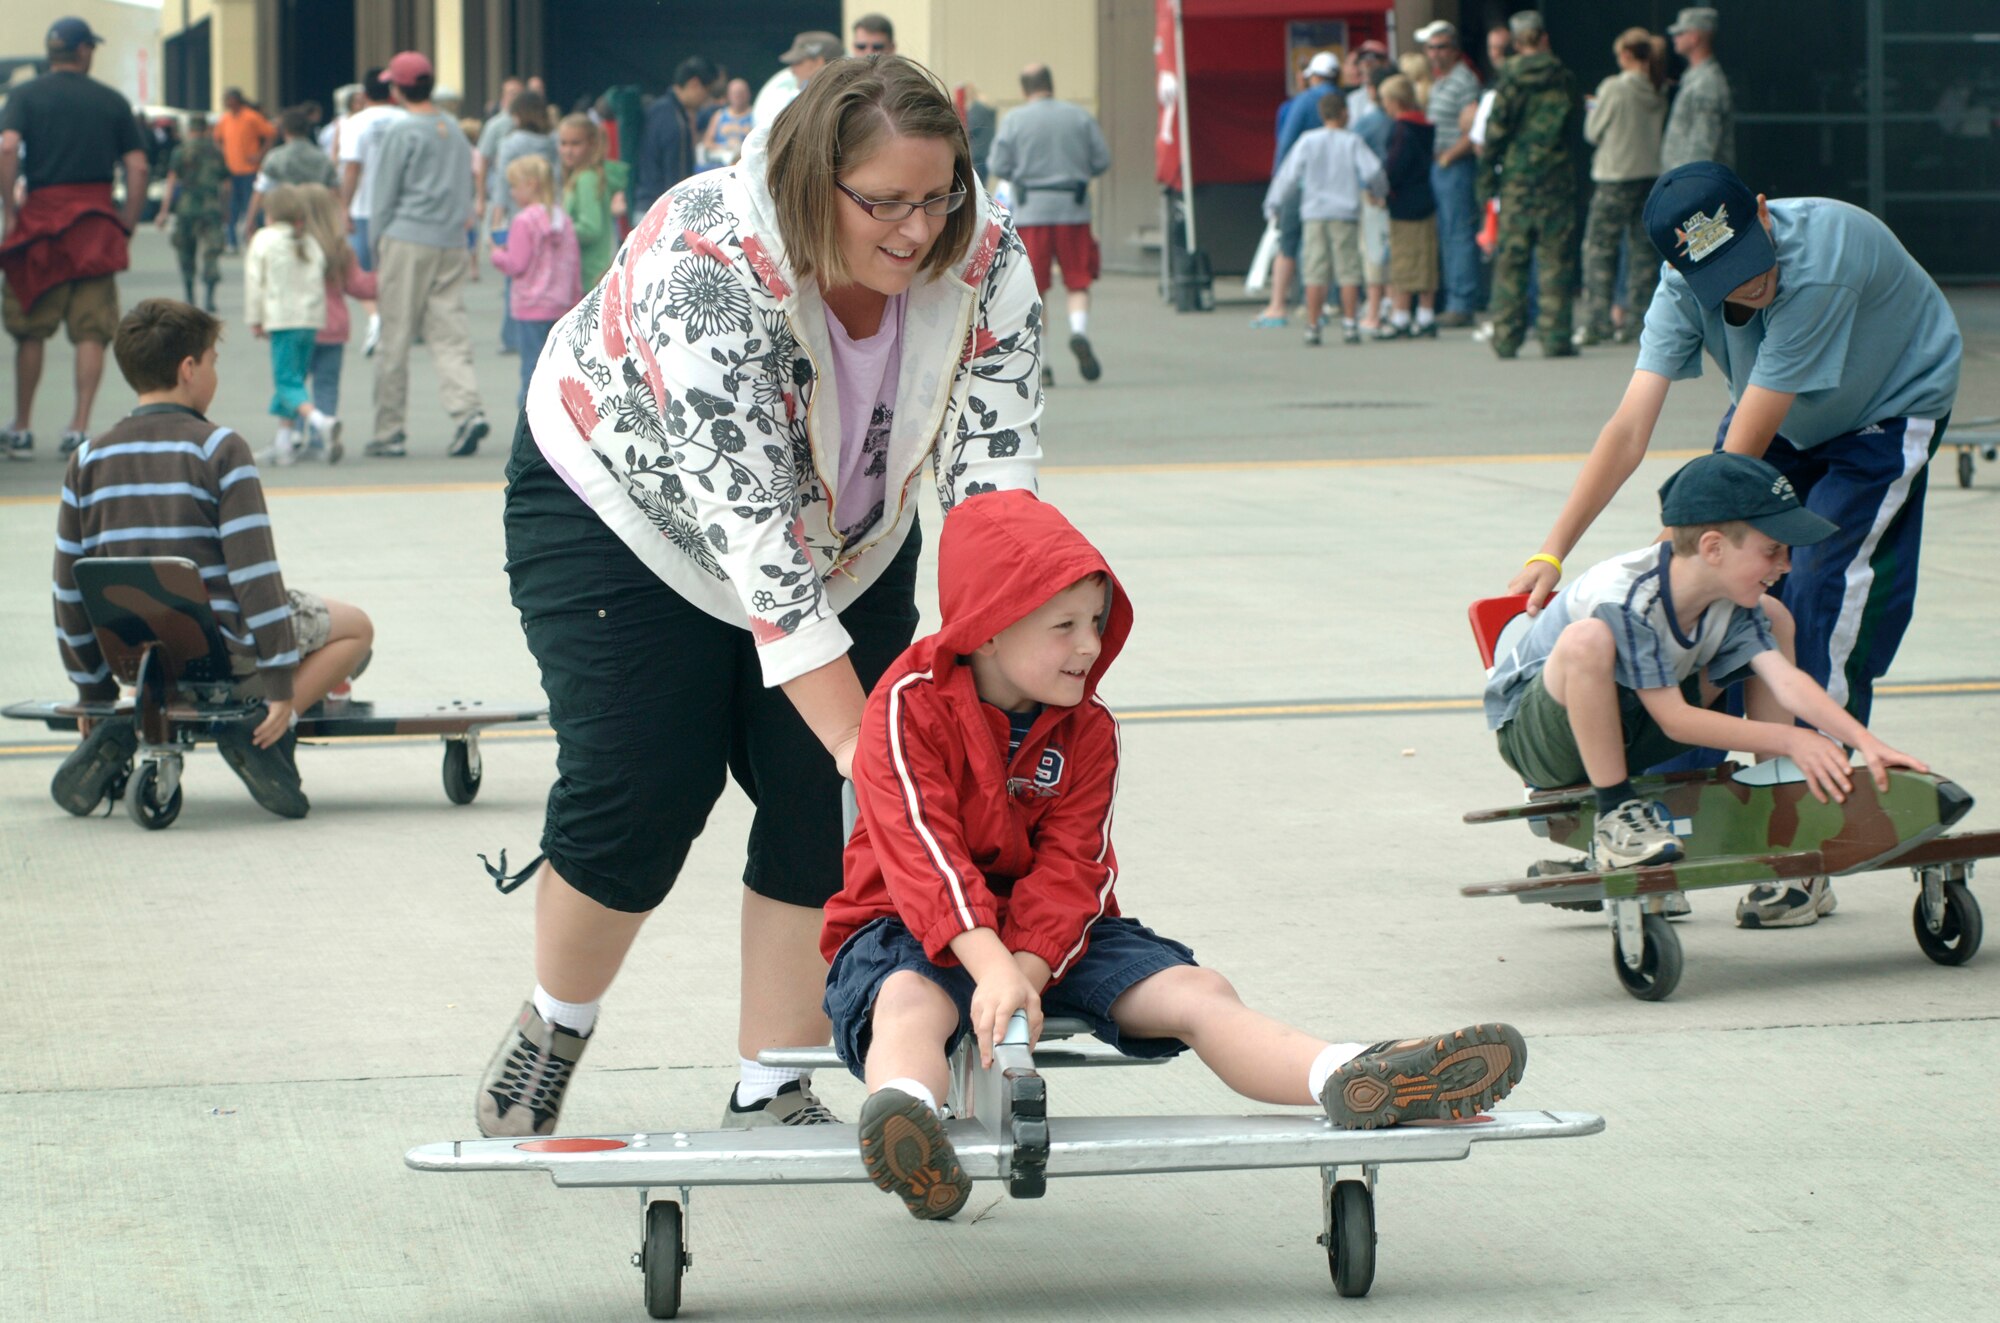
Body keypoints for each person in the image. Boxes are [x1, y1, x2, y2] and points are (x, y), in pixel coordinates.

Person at [477, 54, 1044, 1140]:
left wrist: (1004, 681)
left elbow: (993, 486)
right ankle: (556, 1023)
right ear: (808, 184)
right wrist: (874, 755)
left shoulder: (989, 255)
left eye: (936, 199)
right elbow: (759, 553)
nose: (916, 231)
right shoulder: (706, 259)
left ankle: (771, 1079)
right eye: (882, 203)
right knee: (644, 784)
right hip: (624, 511)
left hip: (849, 538)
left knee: (819, 806)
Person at [823, 489, 1529, 1219]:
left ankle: (1347, 1074)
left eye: (1095, 622)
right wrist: (992, 966)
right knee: (908, 1004)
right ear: (988, 630)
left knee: (1199, 992)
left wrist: (1025, 969)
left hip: (1046, 939)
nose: (1090, 646)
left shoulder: (1086, 727)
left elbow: (1076, 868)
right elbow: (923, 851)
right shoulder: (908, 702)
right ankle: (908, 1122)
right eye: (1064, 626)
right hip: (908, 922)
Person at [1508, 163, 1959, 919]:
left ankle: (1806, 836)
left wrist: (1666, 578)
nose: (1750, 287)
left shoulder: (1822, 263)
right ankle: (1668, 833)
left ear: (1760, 210)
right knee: (1702, 602)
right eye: (1725, 280)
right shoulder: (1681, 289)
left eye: (1752, 263)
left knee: (1814, 589)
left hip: (1884, 410)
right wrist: (1553, 549)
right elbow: (1628, 427)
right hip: (1779, 414)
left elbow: (1737, 459)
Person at [1486, 451, 1929, 924]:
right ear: (1714, 548)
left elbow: (1787, 682)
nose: (1787, 566)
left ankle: (1777, 803)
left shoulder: (1729, 600)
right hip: (1544, 739)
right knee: (1588, 639)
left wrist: (1867, 743)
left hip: (1628, 727)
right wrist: (1794, 738)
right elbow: (1674, 719)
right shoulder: (1627, 596)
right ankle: (1617, 819)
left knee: (1775, 616)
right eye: (1773, 550)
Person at [48, 299, 375, 821]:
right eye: (214, 361)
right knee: (356, 629)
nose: (215, 373)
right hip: (224, 653)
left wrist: (93, 690)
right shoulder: (220, 448)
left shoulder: (87, 458)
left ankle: (130, 723)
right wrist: (279, 688)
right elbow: (255, 575)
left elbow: (68, 589)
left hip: (137, 657)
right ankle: (266, 732)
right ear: (188, 370)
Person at [0, 17, 147, 462]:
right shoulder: (111, 101)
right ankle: (77, 427)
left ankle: (22, 427)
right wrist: (128, 220)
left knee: (30, 329)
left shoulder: (24, 96)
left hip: (41, 221)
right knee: (91, 330)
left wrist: (11, 210)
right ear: (83, 50)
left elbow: (7, 147)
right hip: (95, 224)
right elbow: (138, 167)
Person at [367, 50, 487, 460]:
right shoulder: (451, 128)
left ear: (398, 87)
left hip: (406, 237)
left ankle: (390, 431)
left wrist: (374, 244)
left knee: (395, 337)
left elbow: (383, 193)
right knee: (448, 332)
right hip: (449, 240)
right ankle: (466, 410)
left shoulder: (402, 132)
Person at [987, 64, 1111, 386]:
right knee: (1078, 280)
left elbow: (998, 164)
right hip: (1074, 210)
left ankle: (1044, 363)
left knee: (1036, 289)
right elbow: (1101, 160)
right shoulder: (1079, 116)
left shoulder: (1014, 119)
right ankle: (1079, 331)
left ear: (1024, 89)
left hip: (1032, 213)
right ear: (1051, 84)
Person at [1477, 10, 1581, 360]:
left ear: (1516, 43)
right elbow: (1574, 128)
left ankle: (1506, 338)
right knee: (1555, 259)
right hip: (1556, 179)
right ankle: (1556, 337)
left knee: (1511, 262)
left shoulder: (1508, 82)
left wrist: (1486, 181)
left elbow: (1494, 136)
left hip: (1518, 181)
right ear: (1544, 39)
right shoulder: (1563, 77)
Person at [1263, 94, 1384, 347]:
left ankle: (1313, 325)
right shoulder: (1352, 141)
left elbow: (1288, 176)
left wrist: (1273, 203)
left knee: (1315, 271)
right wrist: (1378, 191)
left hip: (1314, 212)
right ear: (1343, 114)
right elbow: (1373, 170)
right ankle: (1350, 324)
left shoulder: (1308, 141)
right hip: (1345, 212)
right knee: (1348, 270)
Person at [244, 183, 344, 465]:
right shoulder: (309, 242)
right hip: (310, 320)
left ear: (271, 214)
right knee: (293, 378)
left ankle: (320, 421)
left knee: (286, 381)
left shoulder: (264, 240)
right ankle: (283, 443)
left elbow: (255, 282)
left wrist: (255, 318)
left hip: (282, 319)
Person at [1579, 30, 1667, 348]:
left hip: (1614, 175)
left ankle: (1596, 322)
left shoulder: (1614, 87)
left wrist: (1593, 108)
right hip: (1648, 175)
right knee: (1642, 251)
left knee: (1599, 250)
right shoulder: (1658, 87)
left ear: (1627, 54)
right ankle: (1638, 322)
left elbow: (1593, 131)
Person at [1250, 51, 1339, 330]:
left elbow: (1286, 146)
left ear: (1312, 76)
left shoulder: (1303, 102)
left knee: (1289, 241)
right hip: (1336, 185)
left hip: (1301, 183)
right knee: (1327, 243)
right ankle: (1325, 302)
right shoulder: (1342, 101)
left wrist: (1277, 187)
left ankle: (1279, 305)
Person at [489, 156, 579, 408]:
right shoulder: (562, 218)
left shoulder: (523, 221)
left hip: (530, 306)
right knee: (556, 370)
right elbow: (573, 263)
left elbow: (516, 264)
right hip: (561, 304)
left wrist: (496, 253)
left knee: (531, 369)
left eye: (515, 186)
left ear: (530, 184)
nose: (512, 192)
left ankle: (529, 427)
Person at [299, 182, 375, 452]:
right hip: (334, 327)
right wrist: (385, 279)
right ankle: (323, 436)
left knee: (295, 383)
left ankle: (296, 434)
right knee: (327, 385)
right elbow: (359, 286)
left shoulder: (295, 247)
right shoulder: (340, 248)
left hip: (301, 325)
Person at [1416, 21, 1482, 327]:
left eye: (1441, 46)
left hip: (1454, 166)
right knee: (1447, 233)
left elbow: (1473, 128)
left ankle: (1461, 302)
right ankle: (1453, 298)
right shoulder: (1441, 81)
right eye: (1430, 47)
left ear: (1454, 50)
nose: (1434, 53)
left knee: (1457, 234)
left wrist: (1447, 158)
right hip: (1440, 166)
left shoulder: (1464, 80)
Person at [489, 89, 559, 353]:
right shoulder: (552, 140)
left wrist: (495, 221)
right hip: (548, 210)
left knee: (516, 274)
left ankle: (512, 336)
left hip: (515, 214)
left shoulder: (512, 142)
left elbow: (500, 185)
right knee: (547, 269)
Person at [337, 68, 400, 356]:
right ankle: (392, 322)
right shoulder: (406, 120)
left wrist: (343, 206)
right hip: (399, 209)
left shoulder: (356, 123)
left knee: (363, 272)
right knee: (393, 270)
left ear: (364, 94)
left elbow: (352, 167)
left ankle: (376, 317)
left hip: (364, 207)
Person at [1377, 75, 1438, 340]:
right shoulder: (1426, 126)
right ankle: (1426, 315)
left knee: (1402, 260)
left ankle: (1401, 315)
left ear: (1394, 101)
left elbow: (1394, 166)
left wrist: (1382, 189)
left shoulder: (1400, 129)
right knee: (1426, 258)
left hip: (1402, 202)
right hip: (1426, 197)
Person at [158, 114, 227, 312]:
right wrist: (225, 208)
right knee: (212, 252)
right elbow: (226, 184)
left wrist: (164, 211)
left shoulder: (181, 151)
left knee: (186, 252)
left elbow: (171, 182)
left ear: (190, 130)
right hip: (211, 208)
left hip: (186, 208)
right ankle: (209, 298)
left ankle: (189, 296)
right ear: (206, 129)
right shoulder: (216, 151)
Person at [634, 57, 717, 216]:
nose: (708, 99)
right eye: (708, 91)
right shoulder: (676, 122)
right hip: (661, 213)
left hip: (642, 205)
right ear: (694, 84)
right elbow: (677, 181)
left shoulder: (656, 109)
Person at [557, 113, 630, 288]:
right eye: (563, 143)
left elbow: (590, 228)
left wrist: (556, 229)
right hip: (593, 269)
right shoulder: (584, 175)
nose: (568, 150)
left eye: (575, 143)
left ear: (591, 144)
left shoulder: (586, 179)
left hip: (590, 273)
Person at [1660, 8, 1734, 173]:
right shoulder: (1695, 78)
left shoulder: (1706, 82)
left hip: (1695, 187)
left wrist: (1687, 185)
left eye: (1680, 33)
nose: (1674, 39)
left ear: (1694, 38)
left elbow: (1702, 147)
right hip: (1687, 185)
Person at [246, 106, 339, 234]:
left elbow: (260, 190)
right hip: (316, 222)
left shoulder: (275, 157)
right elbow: (334, 193)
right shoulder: (322, 158)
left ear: (284, 130)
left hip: (284, 221)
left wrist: (250, 220)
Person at [216, 88, 275, 251]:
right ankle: (232, 240)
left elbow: (270, 133)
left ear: (237, 100)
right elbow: (218, 138)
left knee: (252, 205)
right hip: (231, 169)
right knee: (232, 207)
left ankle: (255, 238)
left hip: (250, 169)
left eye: (229, 100)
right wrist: (223, 155)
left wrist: (260, 154)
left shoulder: (251, 117)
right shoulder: (225, 119)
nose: (226, 103)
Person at [753, 31, 840, 128]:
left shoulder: (836, 101)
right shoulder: (802, 97)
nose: (793, 70)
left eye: (798, 62)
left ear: (818, 63)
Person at [702, 79, 754, 167]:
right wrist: (724, 148)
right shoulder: (719, 116)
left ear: (748, 94)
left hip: (746, 163)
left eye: (741, 93)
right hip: (721, 164)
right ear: (728, 96)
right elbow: (707, 142)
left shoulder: (755, 115)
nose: (738, 96)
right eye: (734, 93)